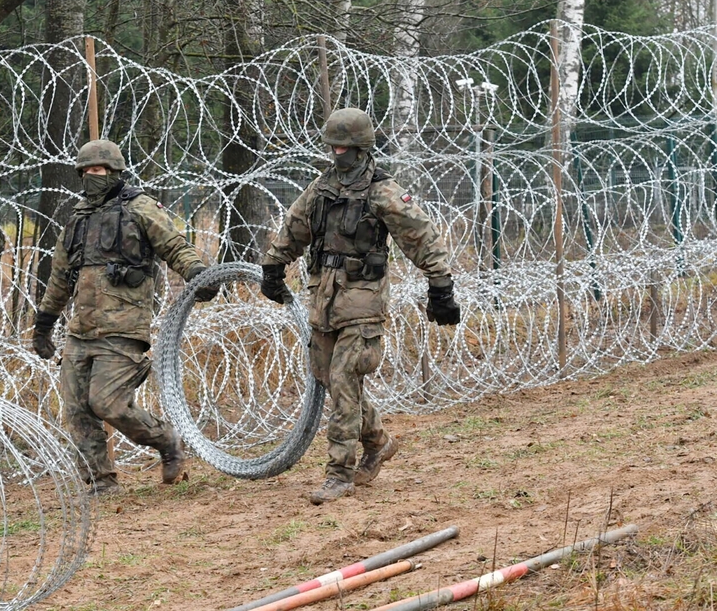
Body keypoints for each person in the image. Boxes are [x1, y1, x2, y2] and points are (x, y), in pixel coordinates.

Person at [259, 108, 461, 505]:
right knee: (328, 378)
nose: (339, 153)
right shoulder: (321, 189)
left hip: (363, 299)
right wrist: (273, 266)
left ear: (362, 148)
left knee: (345, 377)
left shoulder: (382, 190)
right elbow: (293, 228)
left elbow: (421, 237)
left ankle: (340, 473)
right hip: (323, 297)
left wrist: (440, 287)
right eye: (334, 147)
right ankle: (379, 442)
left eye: (346, 147)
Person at [32, 139, 218, 496]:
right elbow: (60, 276)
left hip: (123, 325)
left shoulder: (139, 208)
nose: (91, 177)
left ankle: (167, 440)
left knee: (107, 403)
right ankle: (100, 481)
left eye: (98, 170)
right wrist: (44, 322)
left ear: (114, 172)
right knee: (77, 409)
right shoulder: (78, 219)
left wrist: (197, 274)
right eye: (85, 171)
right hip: (81, 330)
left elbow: (173, 245)